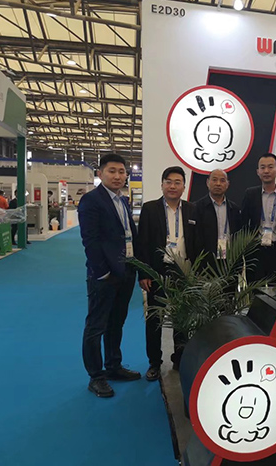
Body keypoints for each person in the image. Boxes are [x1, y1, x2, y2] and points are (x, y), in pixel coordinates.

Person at [78, 153, 141, 398]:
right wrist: (102, 272)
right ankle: (96, 376)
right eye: (112, 171)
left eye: (121, 171)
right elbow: (90, 240)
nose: (117, 176)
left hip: (125, 271)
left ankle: (114, 366)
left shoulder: (122, 200)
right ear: (100, 173)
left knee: (116, 323)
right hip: (104, 276)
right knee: (96, 326)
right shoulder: (91, 200)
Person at [136, 166, 198, 379]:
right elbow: (142, 242)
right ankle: (154, 363)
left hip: (183, 271)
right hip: (157, 270)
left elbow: (196, 242)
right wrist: (143, 273)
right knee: (156, 319)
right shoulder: (150, 208)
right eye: (169, 182)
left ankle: (179, 359)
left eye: (177, 182)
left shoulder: (192, 209)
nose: (173, 186)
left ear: (184, 186)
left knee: (182, 318)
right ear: (162, 184)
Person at [240, 153, 276, 282]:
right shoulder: (250, 194)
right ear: (258, 172)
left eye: (270, 167)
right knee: (254, 288)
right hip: (256, 251)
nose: (266, 171)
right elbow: (243, 223)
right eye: (262, 167)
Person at [194, 169, 242, 267]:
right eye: (214, 180)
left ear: (227, 184)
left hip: (229, 262)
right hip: (205, 262)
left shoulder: (234, 209)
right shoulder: (197, 207)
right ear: (207, 182)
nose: (218, 184)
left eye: (222, 180)